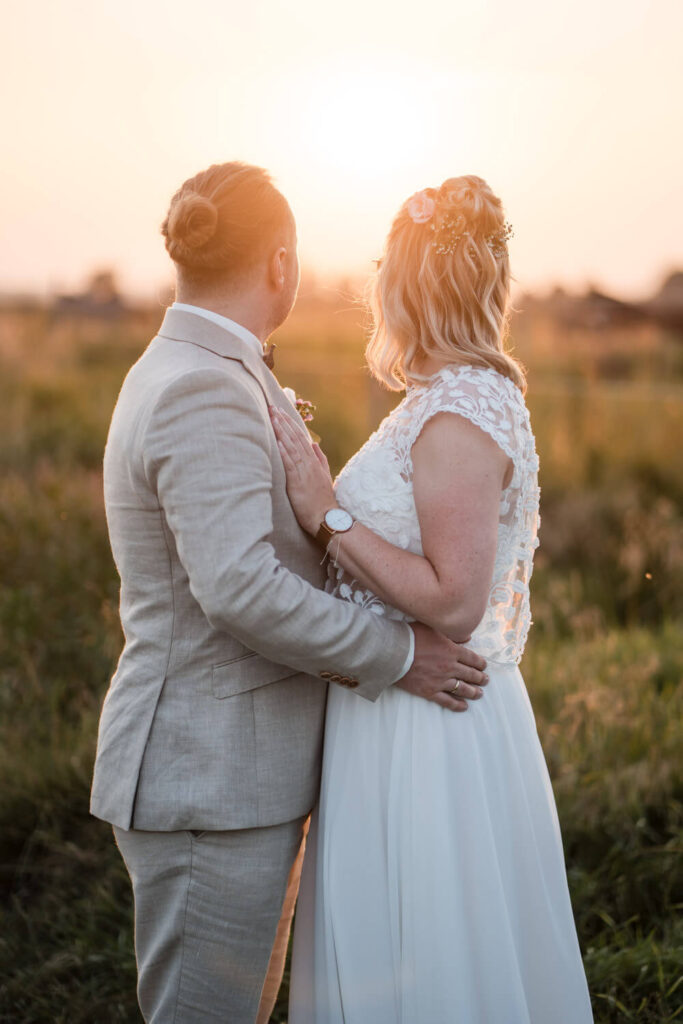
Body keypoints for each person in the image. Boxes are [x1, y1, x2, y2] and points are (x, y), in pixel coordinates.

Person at [89, 161, 488, 1024]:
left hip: (236, 773)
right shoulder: (202, 383)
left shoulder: (202, 364)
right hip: (208, 777)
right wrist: (400, 656)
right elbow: (239, 589)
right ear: (279, 263)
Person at [272, 176, 594, 1023]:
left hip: (426, 730)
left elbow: (454, 602)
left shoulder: (461, 411)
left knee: (428, 958)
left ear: (407, 284)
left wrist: (325, 512)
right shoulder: (441, 399)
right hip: (395, 708)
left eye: (386, 267)